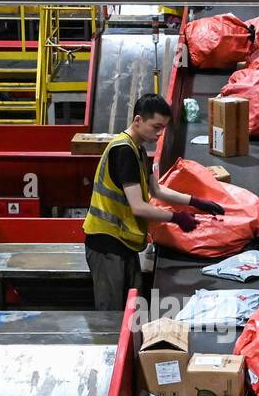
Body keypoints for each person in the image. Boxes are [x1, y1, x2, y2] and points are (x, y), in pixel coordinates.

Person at [83, 94, 225, 311]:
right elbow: (138, 207)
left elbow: (156, 190)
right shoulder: (123, 151)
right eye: (156, 127)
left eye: (163, 128)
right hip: (106, 245)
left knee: (134, 308)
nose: (159, 134)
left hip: (124, 242)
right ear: (138, 120)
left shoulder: (137, 149)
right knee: (111, 316)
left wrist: (196, 202)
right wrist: (176, 217)